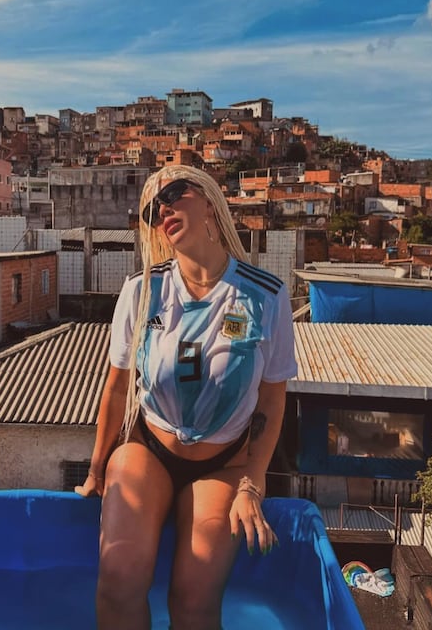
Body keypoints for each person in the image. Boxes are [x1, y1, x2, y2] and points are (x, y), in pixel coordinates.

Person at [76, 165, 297, 630]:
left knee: (194, 602)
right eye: (153, 209)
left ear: (211, 202)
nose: (164, 209)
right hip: (149, 452)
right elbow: (116, 387)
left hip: (226, 465)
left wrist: (251, 484)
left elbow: (272, 401)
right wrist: (96, 470)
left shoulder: (267, 297)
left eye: (174, 194)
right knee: (117, 580)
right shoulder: (142, 292)